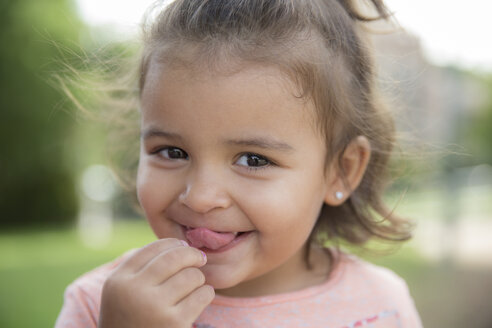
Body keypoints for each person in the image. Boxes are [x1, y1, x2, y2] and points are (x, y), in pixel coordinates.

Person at [56, 0, 423, 327]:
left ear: (341, 170)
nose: (200, 197)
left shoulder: (381, 307)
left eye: (253, 159)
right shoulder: (100, 306)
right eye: (171, 152)